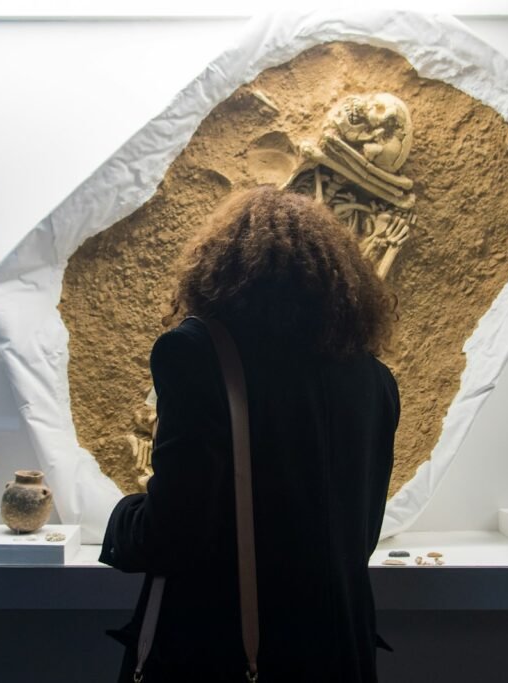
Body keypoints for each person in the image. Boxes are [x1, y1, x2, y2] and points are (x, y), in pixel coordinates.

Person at [100, 185, 400, 682]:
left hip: (227, 657)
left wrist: (122, 519)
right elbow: (357, 534)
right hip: (339, 655)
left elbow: (169, 534)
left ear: (221, 272)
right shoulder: (374, 380)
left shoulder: (195, 355)